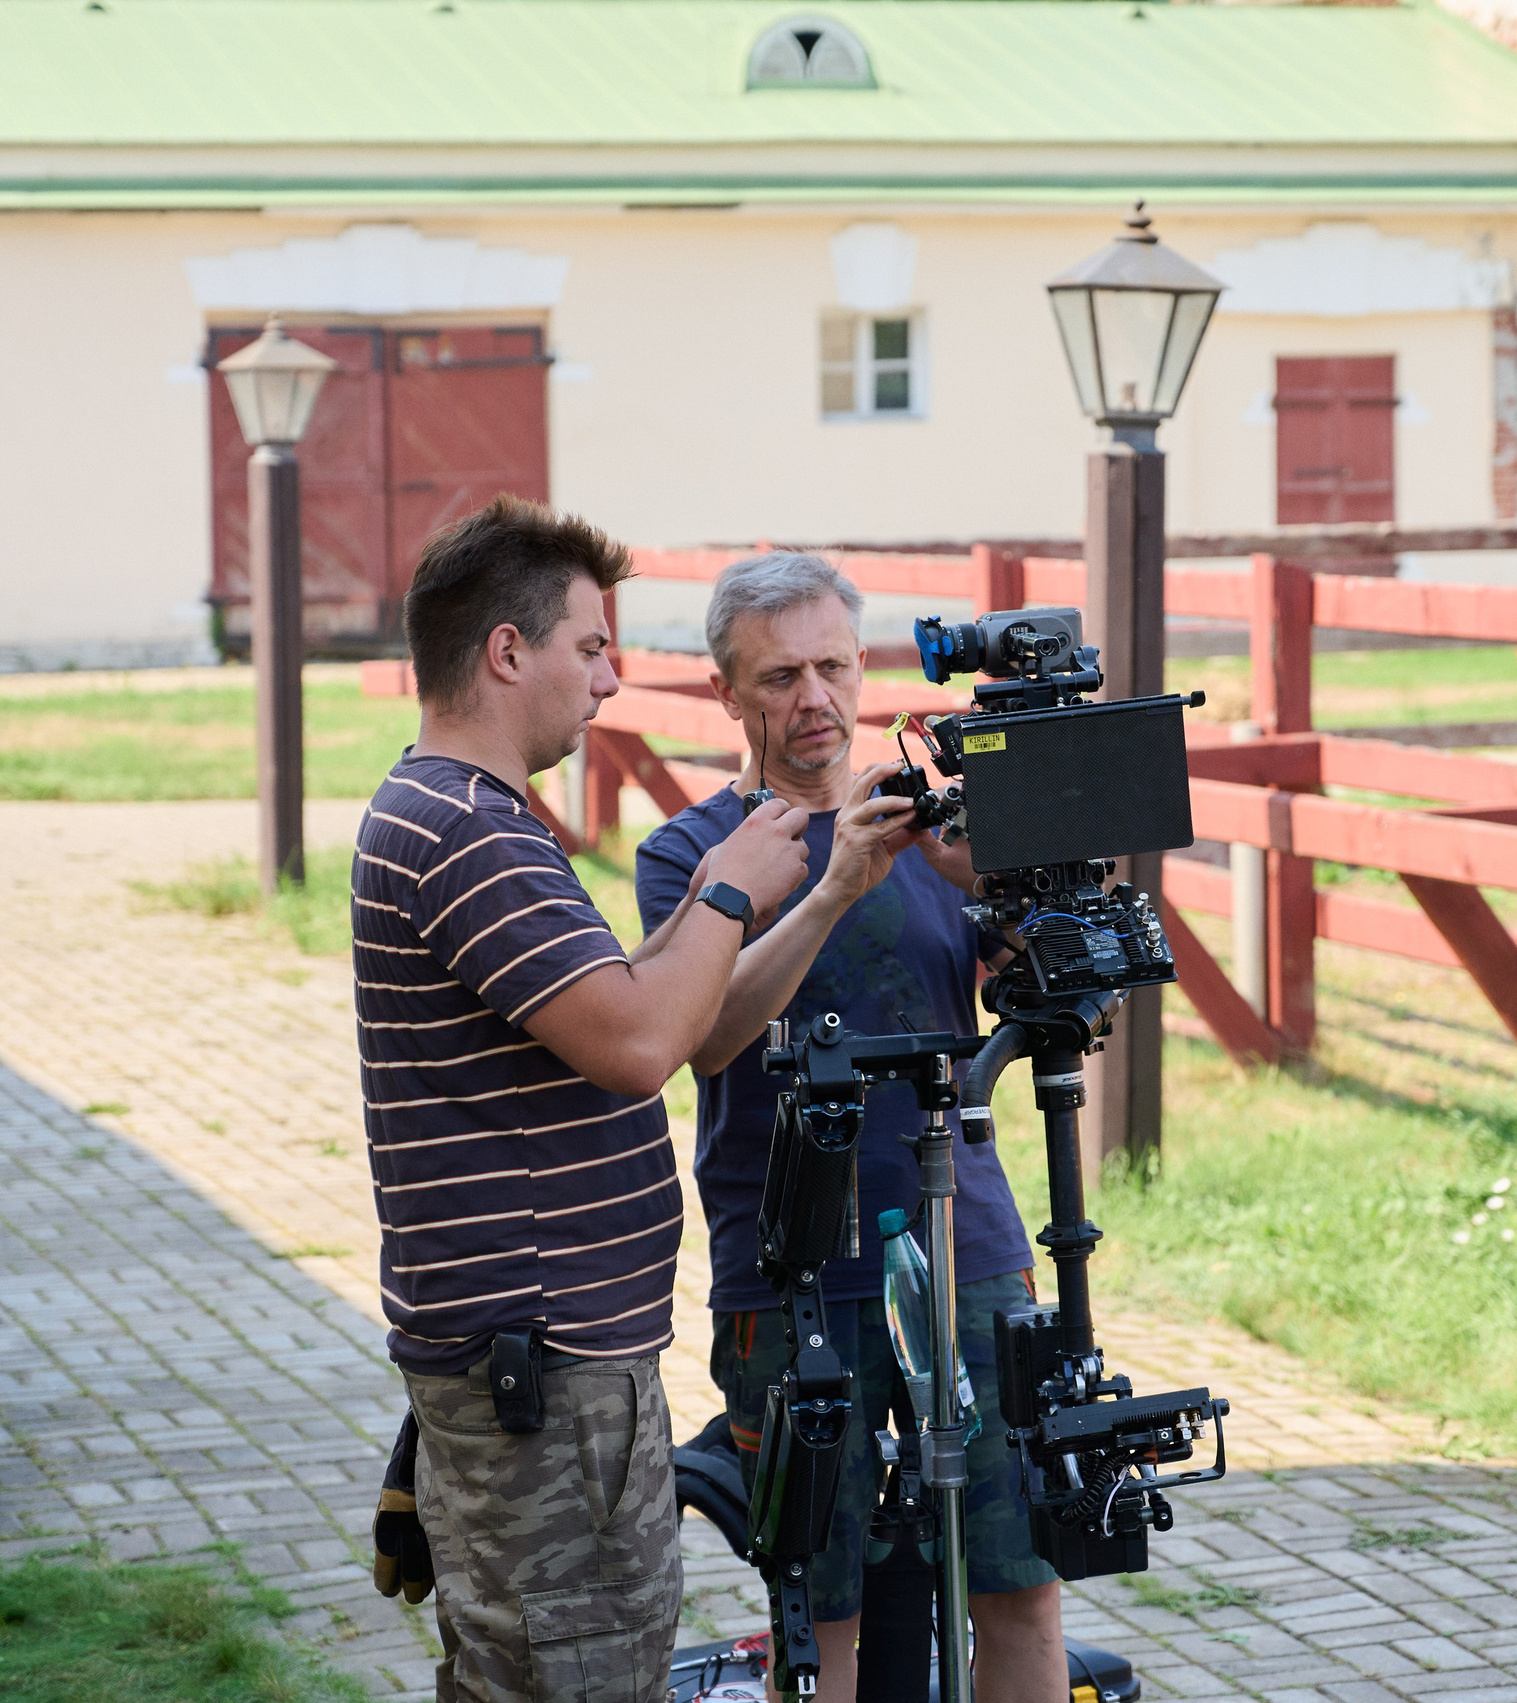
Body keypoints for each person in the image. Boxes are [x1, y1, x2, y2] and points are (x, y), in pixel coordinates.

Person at [354, 497, 812, 1703]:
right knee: (579, 1673)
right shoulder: (467, 830)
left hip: (538, 1358)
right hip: (544, 1369)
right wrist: (725, 889)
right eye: (590, 646)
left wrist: (816, 886)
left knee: (539, 1668)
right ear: (507, 652)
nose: (609, 681)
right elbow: (640, 1041)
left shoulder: (463, 812)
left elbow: (641, 1000)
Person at [634, 553, 1065, 1703]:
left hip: (965, 1242)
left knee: (1019, 1576)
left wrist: (1022, 925)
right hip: (793, 1267)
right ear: (726, 692)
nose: (814, 698)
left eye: (833, 665)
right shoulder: (695, 856)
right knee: (816, 1605)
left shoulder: (931, 832)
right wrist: (831, 887)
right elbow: (709, 1035)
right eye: (779, 676)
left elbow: (1022, 992)